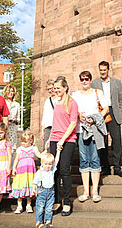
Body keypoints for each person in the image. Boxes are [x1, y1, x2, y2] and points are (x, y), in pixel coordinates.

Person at [44, 77, 77, 217]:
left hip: (68, 140)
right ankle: (56, 201)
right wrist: (50, 139)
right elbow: (55, 122)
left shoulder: (72, 103)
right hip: (54, 139)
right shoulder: (55, 102)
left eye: (58, 88)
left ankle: (67, 202)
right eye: (55, 88)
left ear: (65, 88)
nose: (56, 90)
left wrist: (62, 140)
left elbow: (73, 123)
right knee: (54, 171)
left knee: (64, 170)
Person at [73, 70, 106, 203]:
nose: (84, 81)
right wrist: (78, 115)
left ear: (90, 80)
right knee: (84, 159)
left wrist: (95, 118)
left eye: (86, 79)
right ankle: (86, 191)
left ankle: (95, 191)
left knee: (94, 158)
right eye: (82, 79)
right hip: (81, 129)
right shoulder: (75, 95)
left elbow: (105, 109)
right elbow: (71, 110)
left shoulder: (98, 92)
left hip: (94, 129)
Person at [91, 61, 122, 177]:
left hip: (114, 112)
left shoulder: (116, 82)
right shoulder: (94, 83)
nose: (102, 72)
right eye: (100, 70)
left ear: (108, 70)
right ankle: (105, 167)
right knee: (103, 141)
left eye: (104, 70)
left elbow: (121, 100)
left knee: (116, 141)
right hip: (101, 113)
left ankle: (117, 167)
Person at [9, 129, 41, 213]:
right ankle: (19, 205)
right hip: (21, 170)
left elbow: (39, 155)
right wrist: (14, 168)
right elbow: (16, 159)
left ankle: (28, 204)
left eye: (25, 142)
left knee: (29, 185)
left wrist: (45, 152)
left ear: (31, 141)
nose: (23, 143)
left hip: (30, 171)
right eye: (22, 141)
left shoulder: (34, 148)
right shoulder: (20, 149)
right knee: (20, 185)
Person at [33, 148, 61, 228]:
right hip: (42, 191)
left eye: (49, 164)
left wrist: (58, 152)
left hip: (51, 191)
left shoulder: (52, 170)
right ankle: (38, 222)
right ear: (41, 163)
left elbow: (56, 161)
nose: (48, 166)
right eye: (46, 164)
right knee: (40, 208)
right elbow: (34, 183)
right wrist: (33, 190)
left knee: (49, 208)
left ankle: (48, 221)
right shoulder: (39, 172)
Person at [3, 84, 21, 150]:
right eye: (9, 91)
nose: (11, 93)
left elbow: (18, 119)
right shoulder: (3, 102)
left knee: (12, 147)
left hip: (12, 128)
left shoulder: (16, 105)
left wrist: (15, 120)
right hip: (4, 127)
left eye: (12, 91)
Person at [40, 79, 56, 144]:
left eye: (51, 88)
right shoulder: (47, 101)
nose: (50, 91)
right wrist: (42, 131)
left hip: (57, 127)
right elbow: (45, 116)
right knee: (46, 149)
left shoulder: (60, 99)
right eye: (48, 89)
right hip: (48, 127)